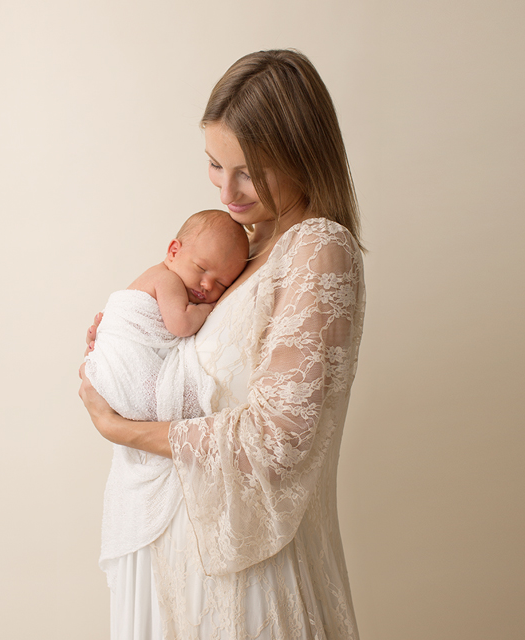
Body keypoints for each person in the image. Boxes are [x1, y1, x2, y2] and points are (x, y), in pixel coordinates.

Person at [79, 49, 366, 640]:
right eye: (215, 165)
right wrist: (131, 332)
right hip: (177, 559)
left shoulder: (317, 249)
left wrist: (122, 428)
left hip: (248, 579)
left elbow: (279, 437)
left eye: (250, 171)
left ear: (302, 155)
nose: (229, 192)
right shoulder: (243, 247)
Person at [84, 210, 248, 595]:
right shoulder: (166, 279)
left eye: (222, 284)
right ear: (173, 251)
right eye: (202, 269)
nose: (206, 285)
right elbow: (180, 326)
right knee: (176, 393)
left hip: (115, 373)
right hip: (127, 371)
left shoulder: (172, 275)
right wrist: (207, 312)